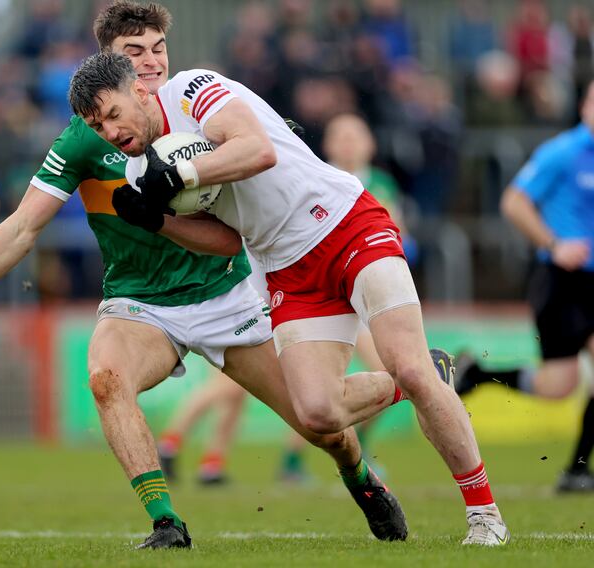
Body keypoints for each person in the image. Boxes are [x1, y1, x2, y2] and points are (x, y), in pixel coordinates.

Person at [0, 1, 410, 549]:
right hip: (140, 302)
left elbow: (229, 239)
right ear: (109, 67)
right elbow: (23, 227)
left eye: (157, 50)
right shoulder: (84, 137)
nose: (150, 63)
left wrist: (162, 219)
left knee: (321, 425)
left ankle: (364, 474)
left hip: (228, 293)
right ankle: (166, 523)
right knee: (106, 379)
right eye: (134, 53)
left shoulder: (200, 111)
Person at [66, 51, 512, 546]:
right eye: (95, 126)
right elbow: (226, 241)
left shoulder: (193, 91)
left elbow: (258, 149)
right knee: (318, 414)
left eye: (111, 114)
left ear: (140, 92)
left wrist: (182, 177)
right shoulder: (136, 173)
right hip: (285, 269)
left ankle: (484, 516)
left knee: (406, 365)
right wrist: (158, 221)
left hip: (345, 223)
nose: (108, 131)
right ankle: (427, 373)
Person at [454, 80, 594, 493]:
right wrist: (554, 244)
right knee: (558, 386)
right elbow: (514, 202)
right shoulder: (564, 152)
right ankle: (480, 375)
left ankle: (577, 471)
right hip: (562, 281)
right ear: (585, 105)